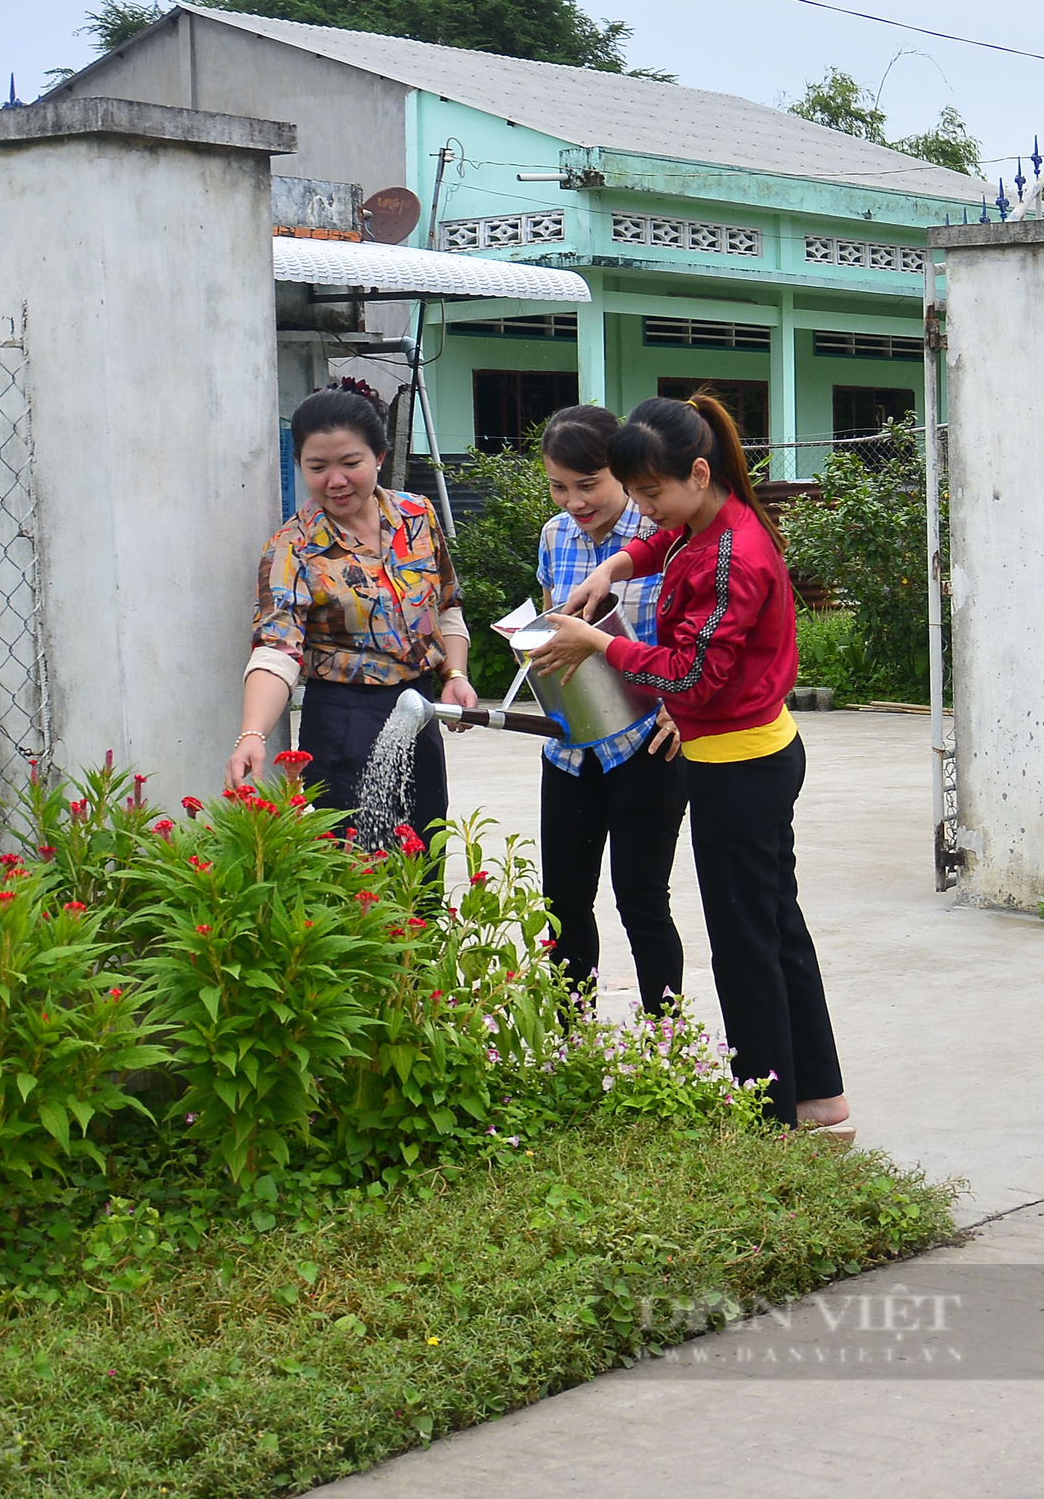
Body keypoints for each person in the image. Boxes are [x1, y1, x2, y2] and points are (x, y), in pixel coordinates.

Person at [528, 395, 851, 1137]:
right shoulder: (708, 521)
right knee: (774, 926)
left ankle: (767, 1115)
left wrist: (598, 642)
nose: (646, 512)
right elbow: (657, 546)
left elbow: (690, 677)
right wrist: (614, 564)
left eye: (649, 495)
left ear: (697, 473)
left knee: (745, 947)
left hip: (738, 767)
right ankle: (818, 1096)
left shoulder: (729, 555)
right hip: (747, 757)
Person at [225, 384, 476, 846]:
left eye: (350, 463)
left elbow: (446, 606)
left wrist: (453, 674)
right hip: (343, 723)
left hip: (418, 713)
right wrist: (253, 733)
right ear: (300, 465)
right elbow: (276, 651)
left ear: (378, 456)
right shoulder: (292, 549)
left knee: (422, 863)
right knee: (353, 867)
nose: (335, 481)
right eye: (317, 467)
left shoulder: (417, 515)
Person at [531, 404, 690, 1018]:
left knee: (642, 899)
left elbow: (689, 643)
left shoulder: (662, 538)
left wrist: (683, 709)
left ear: (623, 472)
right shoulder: (554, 536)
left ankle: (666, 1041)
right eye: (559, 486)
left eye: (589, 483)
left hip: (648, 744)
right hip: (570, 745)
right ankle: (572, 1041)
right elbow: (557, 629)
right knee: (563, 901)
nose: (574, 500)